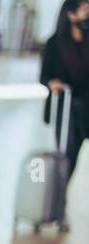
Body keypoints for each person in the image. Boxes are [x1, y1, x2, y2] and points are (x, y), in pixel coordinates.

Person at [42, 0, 89, 184]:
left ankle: (60, 192)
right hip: (66, 105)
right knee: (66, 152)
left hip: (85, 107)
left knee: (75, 154)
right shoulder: (55, 43)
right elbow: (44, 75)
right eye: (85, 10)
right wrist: (52, 83)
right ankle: (56, 195)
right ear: (71, 14)